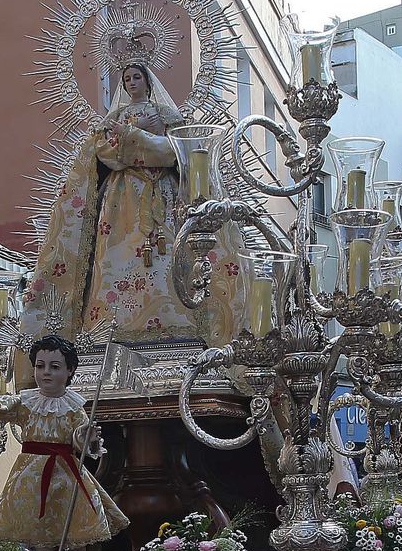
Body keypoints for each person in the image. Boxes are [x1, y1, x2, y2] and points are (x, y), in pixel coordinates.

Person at [21, 62, 247, 346]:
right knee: (119, 257)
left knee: (172, 260)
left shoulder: (167, 116)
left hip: (164, 197)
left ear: (147, 81)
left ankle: (179, 327)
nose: (131, 82)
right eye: (126, 78)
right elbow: (108, 154)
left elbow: (173, 152)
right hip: (122, 203)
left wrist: (133, 139)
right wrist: (140, 133)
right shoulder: (113, 120)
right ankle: (110, 329)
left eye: (136, 77)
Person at [0, 334, 130, 551]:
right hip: (32, 472)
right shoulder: (26, 402)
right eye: (40, 366)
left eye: (54, 367)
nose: (46, 372)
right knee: (39, 516)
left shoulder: (73, 406)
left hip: (66, 470)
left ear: (70, 371)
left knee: (74, 512)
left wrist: (87, 436)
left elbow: (79, 437)